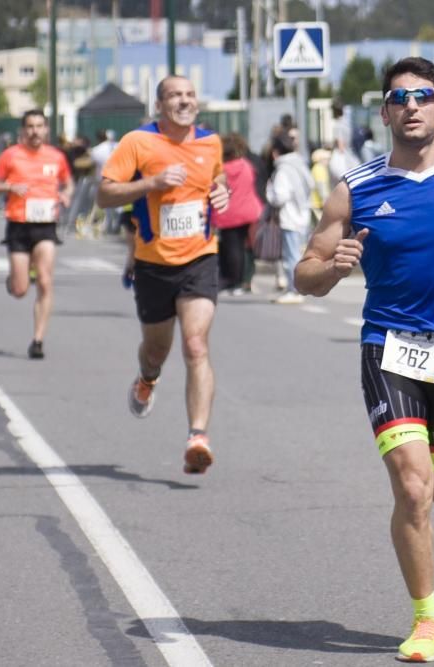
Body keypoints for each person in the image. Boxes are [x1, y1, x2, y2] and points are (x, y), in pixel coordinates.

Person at [295, 57, 434, 663]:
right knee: (414, 489)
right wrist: (331, 269)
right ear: (386, 111)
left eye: (424, 96)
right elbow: (304, 272)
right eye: (399, 98)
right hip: (388, 350)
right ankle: (426, 616)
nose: (411, 106)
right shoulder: (357, 188)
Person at [96, 75, 230, 475]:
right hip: (153, 263)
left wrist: (220, 190)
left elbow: (216, 177)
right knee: (157, 350)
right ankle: (147, 378)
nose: (184, 101)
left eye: (190, 95)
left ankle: (198, 437)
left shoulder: (211, 142)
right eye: (175, 95)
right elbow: (104, 194)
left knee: (195, 344)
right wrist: (151, 183)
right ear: (160, 105)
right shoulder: (137, 143)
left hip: (199, 258)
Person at [0, 110, 75, 359]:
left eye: (39, 126)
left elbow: (68, 182)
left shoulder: (56, 157)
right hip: (18, 225)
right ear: (23, 131)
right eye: (30, 126)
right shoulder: (10, 155)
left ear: (46, 129)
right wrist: (9, 186)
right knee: (20, 290)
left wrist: (66, 193)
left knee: (46, 281)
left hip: (46, 224)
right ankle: (15, 280)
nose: (35, 131)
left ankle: (38, 340)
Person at [267, 133, 314, 305]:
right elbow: (311, 184)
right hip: (304, 215)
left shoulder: (283, 169)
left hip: (290, 217)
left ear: (275, 152)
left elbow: (280, 196)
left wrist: (269, 191)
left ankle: (294, 290)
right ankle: (296, 289)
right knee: (298, 253)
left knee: (291, 256)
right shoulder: (300, 164)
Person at [213, 133, 263, 295]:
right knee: (245, 247)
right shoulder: (245, 166)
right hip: (248, 211)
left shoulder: (221, 170)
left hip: (228, 213)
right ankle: (244, 281)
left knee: (231, 249)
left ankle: (233, 281)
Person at [89, 129, 120, 234]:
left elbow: (92, 165)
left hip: (103, 179)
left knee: (106, 205)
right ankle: (115, 224)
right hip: (119, 177)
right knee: (118, 204)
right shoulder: (118, 145)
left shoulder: (96, 150)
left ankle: (109, 225)